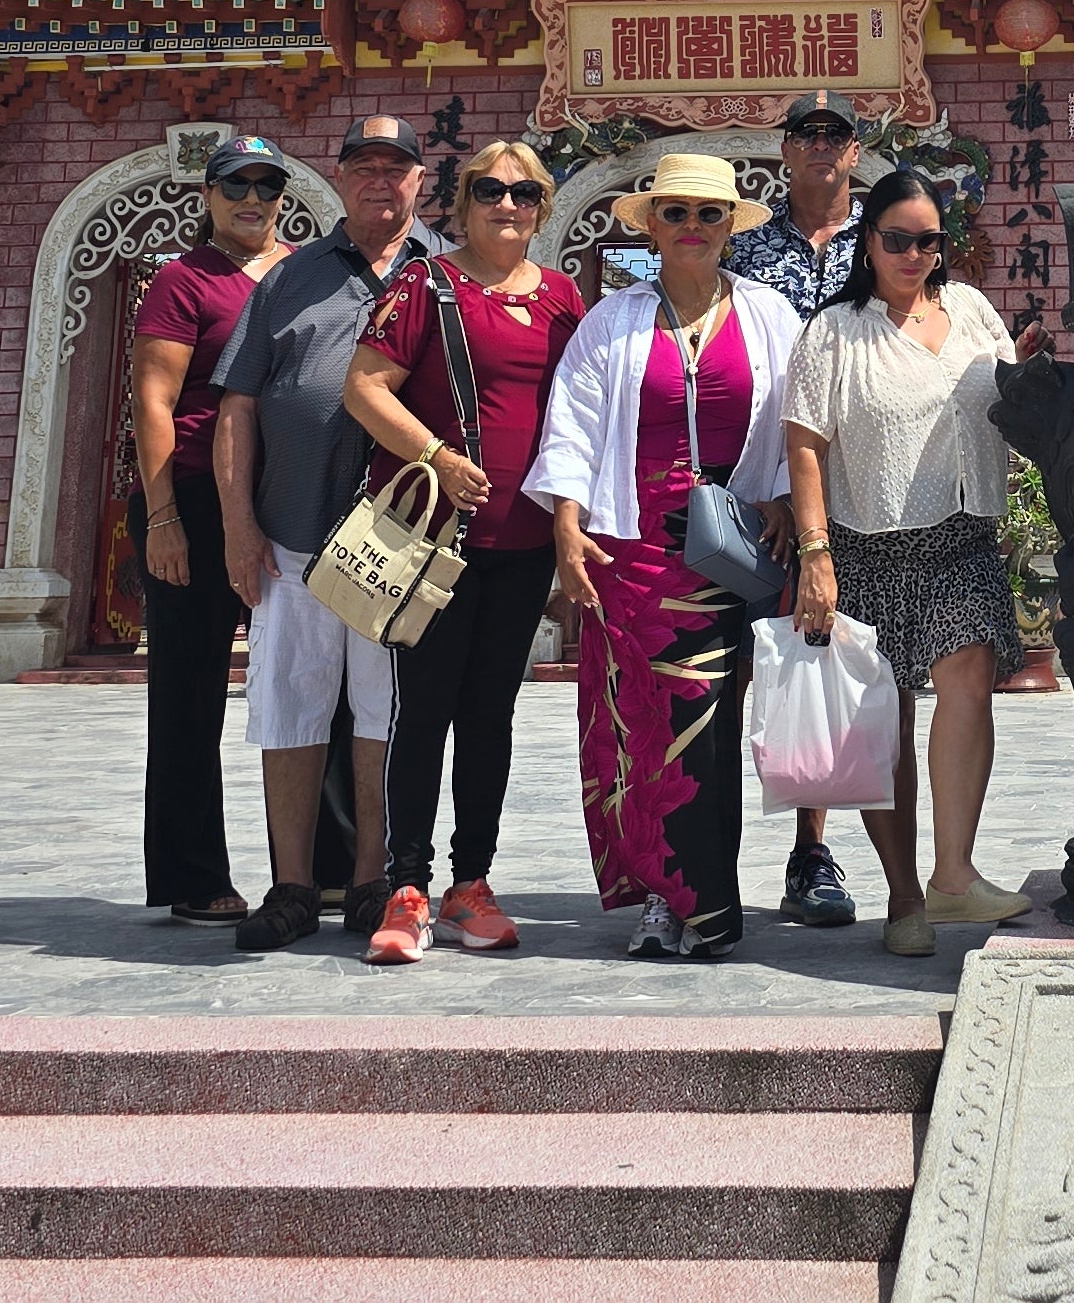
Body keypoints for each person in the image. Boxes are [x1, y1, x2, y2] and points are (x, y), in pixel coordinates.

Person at [527, 150, 804, 962]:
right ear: (651, 225)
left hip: (730, 544)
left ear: (729, 227)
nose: (692, 227)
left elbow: (799, 419)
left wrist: (786, 496)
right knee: (642, 722)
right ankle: (660, 894)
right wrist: (566, 525)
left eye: (708, 214)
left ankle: (705, 902)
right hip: (631, 543)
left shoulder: (768, 314)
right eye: (675, 212)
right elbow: (573, 425)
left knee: (708, 723)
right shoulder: (611, 321)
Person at [342, 136, 588, 963]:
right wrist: (437, 457)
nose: (507, 205)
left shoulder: (563, 298)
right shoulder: (427, 285)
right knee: (423, 711)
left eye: (523, 193)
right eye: (490, 190)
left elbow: (580, 413)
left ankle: (470, 883)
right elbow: (364, 387)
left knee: (491, 715)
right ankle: (406, 888)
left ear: (542, 208)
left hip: (524, 541)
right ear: (463, 203)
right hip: (434, 541)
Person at [208, 112, 446, 952]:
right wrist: (238, 526)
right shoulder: (290, 276)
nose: (380, 181)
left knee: (385, 713)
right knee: (289, 706)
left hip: (396, 540)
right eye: (363, 166)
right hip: (292, 532)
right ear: (339, 177)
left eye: (396, 168)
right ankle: (293, 886)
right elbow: (237, 405)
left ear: (420, 181)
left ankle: (374, 880)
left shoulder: (447, 275)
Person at [785, 169, 1029, 956]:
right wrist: (816, 554)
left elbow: (1008, 398)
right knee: (884, 723)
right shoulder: (835, 331)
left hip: (963, 538)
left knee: (969, 678)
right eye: (897, 239)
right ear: (869, 242)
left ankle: (954, 875)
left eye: (929, 241)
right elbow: (804, 445)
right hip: (869, 545)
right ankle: (903, 896)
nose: (914, 254)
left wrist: (1027, 372)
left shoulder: (972, 311)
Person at [129, 134, 291, 923]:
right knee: (190, 695)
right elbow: (154, 400)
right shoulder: (183, 279)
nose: (252, 200)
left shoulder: (304, 273)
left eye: (266, 186)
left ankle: (325, 869)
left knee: (313, 682)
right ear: (208, 197)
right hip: (192, 499)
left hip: (291, 503)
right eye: (236, 186)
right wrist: (163, 516)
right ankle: (193, 876)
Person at [729, 90, 871, 930]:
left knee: (823, 664)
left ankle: (811, 851)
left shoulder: (883, 240)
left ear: (855, 149)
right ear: (784, 149)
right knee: (741, 663)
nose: (821, 145)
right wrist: (778, 480)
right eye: (805, 133)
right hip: (763, 486)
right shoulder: (744, 248)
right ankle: (706, 848)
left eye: (835, 134)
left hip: (862, 478)